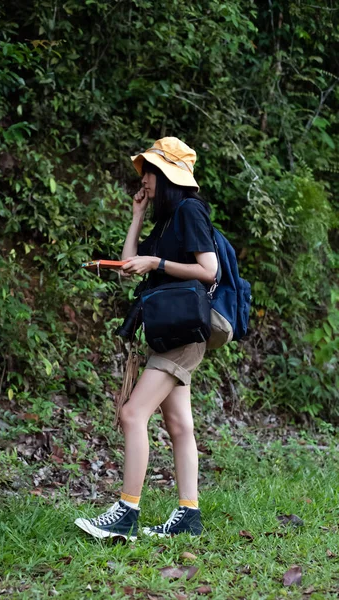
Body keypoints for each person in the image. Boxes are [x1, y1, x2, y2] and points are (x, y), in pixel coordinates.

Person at [75, 137, 218, 540]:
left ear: (168, 176)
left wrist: (157, 262)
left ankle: (126, 512)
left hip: (183, 334)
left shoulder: (190, 211)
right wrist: (137, 216)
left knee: (132, 414)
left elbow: (210, 270)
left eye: (150, 173)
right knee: (178, 425)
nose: (145, 180)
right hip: (171, 331)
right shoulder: (169, 220)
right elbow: (128, 266)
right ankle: (188, 516)